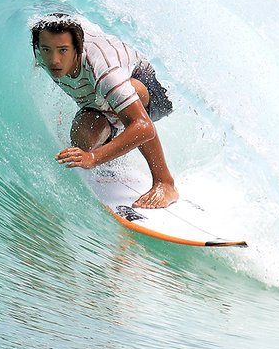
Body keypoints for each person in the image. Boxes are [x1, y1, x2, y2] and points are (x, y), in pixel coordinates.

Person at [31, 13, 179, 208]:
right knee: (82, 139)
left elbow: (144, 127)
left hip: (150, 89)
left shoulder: (104, 70)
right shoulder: (43, 52)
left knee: (132, 98)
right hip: (101, 98)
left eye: (63, 50)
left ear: (78, 49)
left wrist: (93, 158)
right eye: (47, 50)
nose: (54, 60)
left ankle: (165, 182)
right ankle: (114, 143)